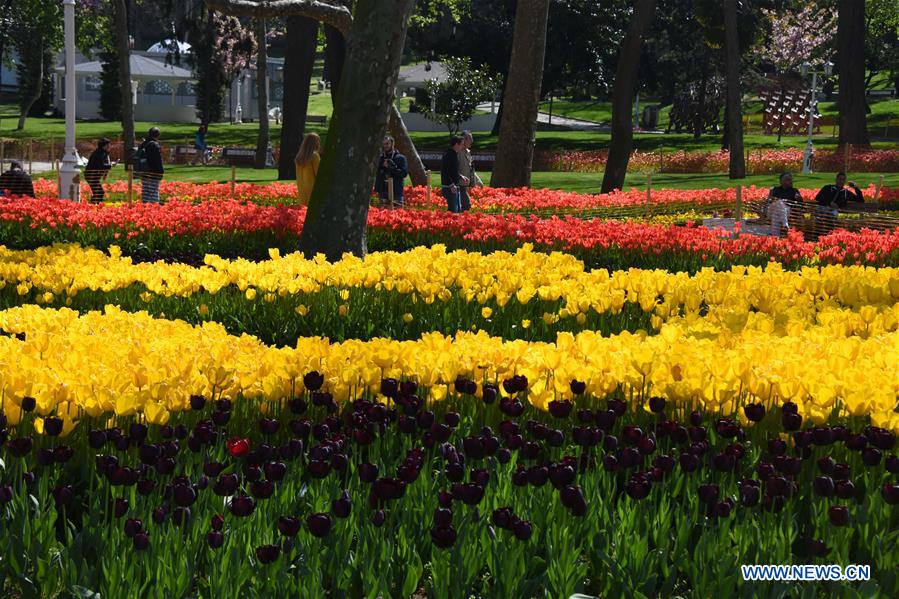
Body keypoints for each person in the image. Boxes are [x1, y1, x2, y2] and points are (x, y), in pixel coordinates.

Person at [765, 172, 802, 236]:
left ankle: (775, 235)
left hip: (787, 211)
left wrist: (799, 199)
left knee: (776, 213)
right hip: (771, 210)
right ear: (781, 181)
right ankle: (785, 223)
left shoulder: (794, 191)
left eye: (790, 179)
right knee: (779, 203)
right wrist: (771, 199)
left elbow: (801, 205)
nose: (789, 181)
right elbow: (769, 202)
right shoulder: (775, 189)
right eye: (786, 179)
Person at [375, 136, 408, 207]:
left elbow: (404, 173)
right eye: (383, 144)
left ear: (392, 144)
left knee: (398, 214)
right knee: (382, 214)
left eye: (387, 144)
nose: (385, 146)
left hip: (396, 190)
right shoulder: (380, 158)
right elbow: (375, 172)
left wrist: (391, 168)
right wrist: (382, 166)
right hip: (382, 190)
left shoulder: (401, 158)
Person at [136, 127, 164, 203]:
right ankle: (153, 210)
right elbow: (157, 160)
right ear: (158, 135)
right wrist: (161, 171)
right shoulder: (154, 145)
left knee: (145, 191)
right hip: (153, 172)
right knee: (153, 192)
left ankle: (145, 207)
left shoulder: (143, 144)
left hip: (143, 171)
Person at [441, 135, 468, 213]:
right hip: (450, 187)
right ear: (456, 144)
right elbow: (445, 172)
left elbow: (452, 170)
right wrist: (451, 185)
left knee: (457, 210)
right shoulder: (449, 155)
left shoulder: (453, 154)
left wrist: (460, 176)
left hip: (454, 186)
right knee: (453, 211)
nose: (463, 146)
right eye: (462, 144)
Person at [458, 130, 483, 212]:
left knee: (464, 206)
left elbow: (471, 169)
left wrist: (478, 181)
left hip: (466, 185)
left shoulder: (468, 152)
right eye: (470, 138)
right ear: (464, 140)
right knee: (466, 205)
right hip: (459, 185)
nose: (472, 141)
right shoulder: (458, 152)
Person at [295, 133, 321, 206]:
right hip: (313, 191)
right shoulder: (314, 156)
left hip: (302, 191)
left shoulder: (299, 157)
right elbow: (319, 174)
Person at [85, 138, 115, 203]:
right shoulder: (100, 153)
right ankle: (94, 207)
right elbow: (101, 165)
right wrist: (111, 165)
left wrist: (109, 165)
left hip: (91, 175)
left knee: (98, 192)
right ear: (105, 146)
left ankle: (94, 206)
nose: (110, 146)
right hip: (91, 175)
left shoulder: (101, 152)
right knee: (99, 192)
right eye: (108, 145)